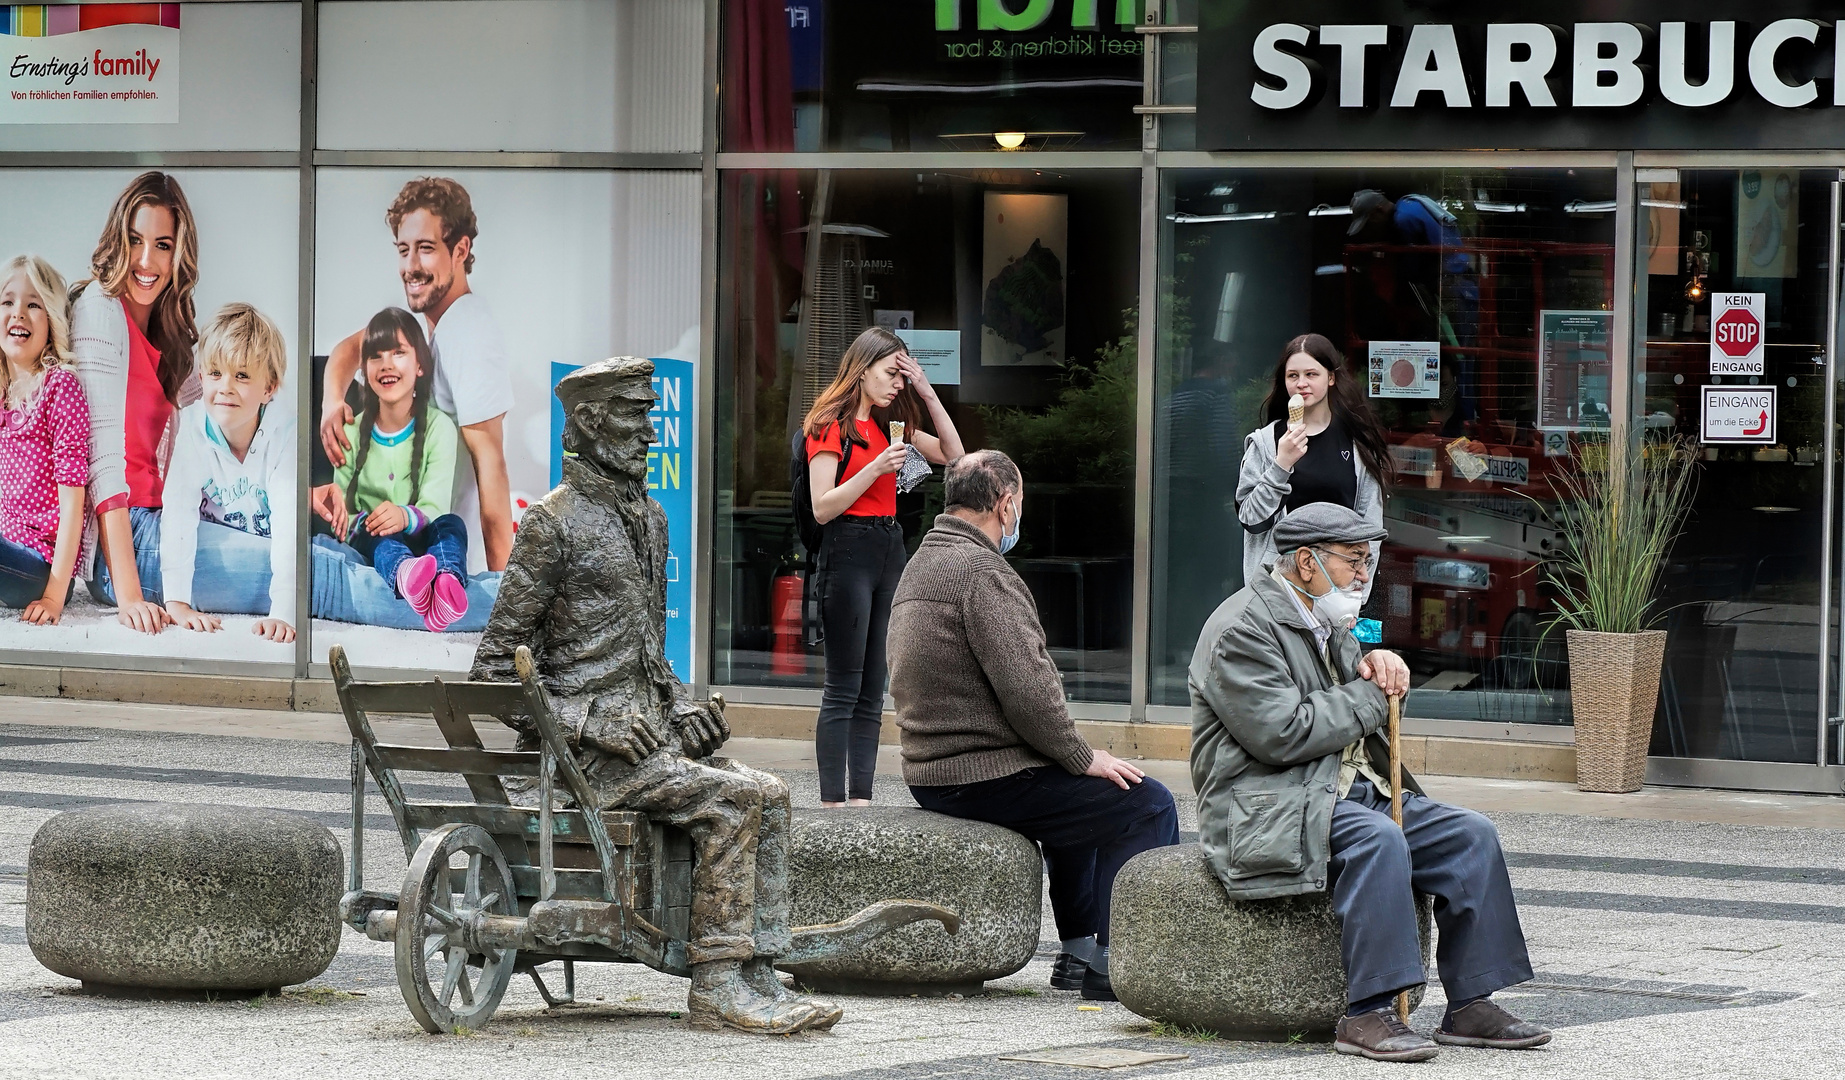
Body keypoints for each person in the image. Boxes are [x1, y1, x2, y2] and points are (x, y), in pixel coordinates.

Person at [473, 357, 840, 1034]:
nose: (650, 431)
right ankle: (718, 988)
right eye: (634, 413)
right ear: (587, 420)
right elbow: (492, 675)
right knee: (735, 802)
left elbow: (647, 655)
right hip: (580, 769)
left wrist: (682, 706)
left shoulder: (649, 517)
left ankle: (757, 973)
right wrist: (589, 723)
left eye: (649, 412)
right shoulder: (550, 525)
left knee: (773, 794)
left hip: (642, 756)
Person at [1189, 503, 1549, 1063]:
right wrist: (1372, 694)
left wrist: (1379, 662)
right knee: (1378, 839)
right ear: (1307, 562)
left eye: (1368, 562)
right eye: (1354, 561)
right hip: (1266, 803)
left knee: (1469, 834)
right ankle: (1369, 1013)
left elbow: (1350, 694)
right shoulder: (1240, 628)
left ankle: (1472, 1002)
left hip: (1337, 788)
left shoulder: (1327, 620)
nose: (1364, 576)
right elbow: (1282, 734)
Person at [889, 450, 1179, 1002]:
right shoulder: (983, 573)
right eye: (1019, 503)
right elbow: (1028, 693)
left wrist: (1068, 760)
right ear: (1006, 503)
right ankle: (1126, 964)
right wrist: (1081, 754)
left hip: (932, 772)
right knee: (1146, 801)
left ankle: (1077, 955)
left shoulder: (923, 562)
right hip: (980, 775)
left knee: (1077, 798)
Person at [802, 326, 964, 807]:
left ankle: (862, 801)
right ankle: (832, 803)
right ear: (863, 368)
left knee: (875, 685)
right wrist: (874, 469)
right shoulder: (830, 424)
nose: (898, 384)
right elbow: (822, 506)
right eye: (892, 373)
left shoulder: (893, 427)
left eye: (903, 375)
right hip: (847, 548)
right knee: (844, 685)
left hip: (889, 547)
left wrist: (928, 392)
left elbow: (955, 456)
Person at [319, 177, 513, 576]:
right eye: (403, 250)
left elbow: (492, 469)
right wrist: (332, 401)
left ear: (460, 250)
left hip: (451, 565)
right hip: (414, 553)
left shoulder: (468, 332)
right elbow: (347, 350)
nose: (410, 266)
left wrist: (501, 595)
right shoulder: (430, 328)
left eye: (425, 249)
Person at [71, 170, 202, 635]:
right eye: (134, 241)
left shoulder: (171, 330)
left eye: (163, 245)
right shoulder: (99, 309)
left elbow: (222, 415)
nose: (146, 260)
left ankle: (435, 582)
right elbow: (100, 457)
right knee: (308, 571)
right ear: (117, 241)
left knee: (301, 546)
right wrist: (128, 594)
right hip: (121, 547)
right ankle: (440, 613)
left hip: (166, 519)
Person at [311, 309, 469, 633]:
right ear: (364, 368)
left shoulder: (440, 428)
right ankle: (405, 574)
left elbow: (436, 506)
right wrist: (374, 521)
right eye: (375, 355)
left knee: (452, 525)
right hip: (375, 540)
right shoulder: (350, 430)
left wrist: (404, 516)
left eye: (398, 353)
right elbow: (343, 513)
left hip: (423, 536)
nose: (386, 364)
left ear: (420, 365)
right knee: (379, 533)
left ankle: (446, 588)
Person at [159, 303, 297, 643]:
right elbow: (178, 510)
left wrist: (283, 611)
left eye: (243, 375)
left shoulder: (285, 431)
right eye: (216, 373)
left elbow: (289, 521)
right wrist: (177, 602)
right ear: (201, 377)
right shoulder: (192, 427)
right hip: (220, 551)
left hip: (268, 548)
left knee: (330, 558)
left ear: (270, 388)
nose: (226, 387)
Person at [1237, 333, 1392, 597]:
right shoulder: (1266, 442)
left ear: (1331, 378)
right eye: (1293, 376)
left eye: (1312, 374)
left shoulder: (1356, 442)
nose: (1301, 384)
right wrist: (1281, 464)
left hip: (1338, 588)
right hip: (1279, 588)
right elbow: (1251, 520)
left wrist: (1359, 595)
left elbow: (1370, 526)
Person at [0, 255, 90, 623]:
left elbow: (74, 503)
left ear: (51, 320)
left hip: (41, 565)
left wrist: (54, 596)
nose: (18, 312)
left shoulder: (60, 388)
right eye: (7, 301)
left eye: (33, 303)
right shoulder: (4, 392)